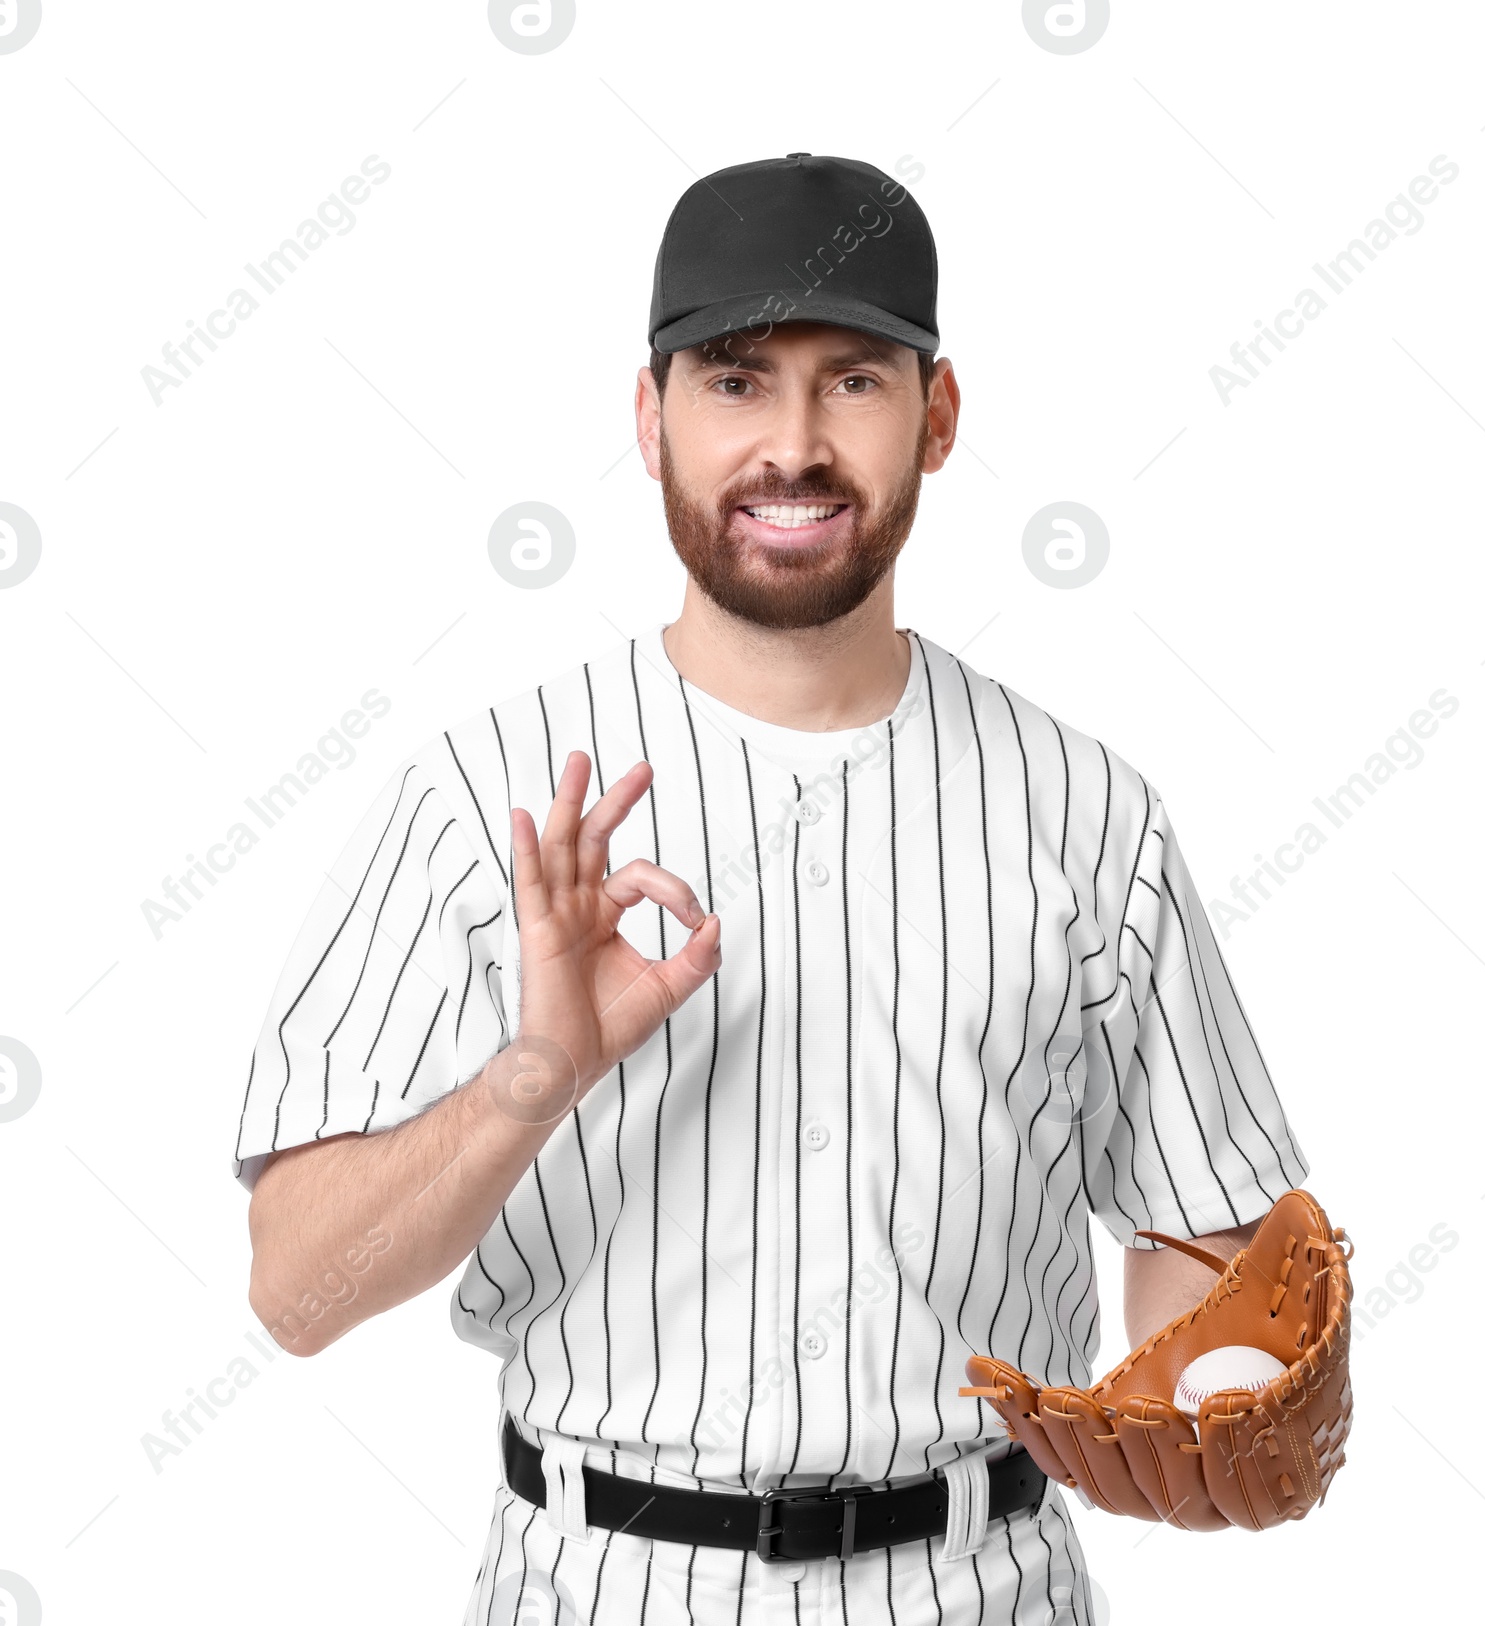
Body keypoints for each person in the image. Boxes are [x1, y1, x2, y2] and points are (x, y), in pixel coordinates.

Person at [236, 153, 1310, 1625]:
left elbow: (1209, 1227)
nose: (793, 444)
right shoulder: (481, 797)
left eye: (852, 380)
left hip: (976, 1587)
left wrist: (1212, 1385)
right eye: (738, 380)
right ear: (648, 417)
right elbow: (296, 1290)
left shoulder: (1086, 812)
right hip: (600, 1587)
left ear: (936, 418)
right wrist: (538, 1070)